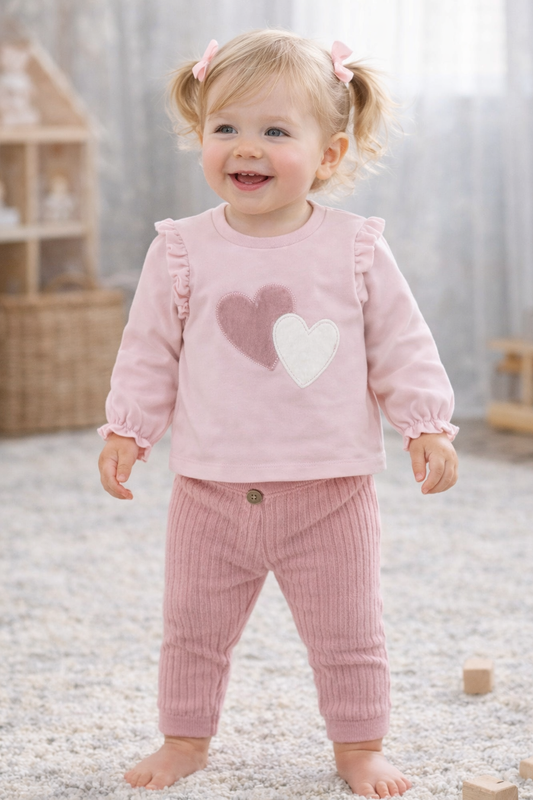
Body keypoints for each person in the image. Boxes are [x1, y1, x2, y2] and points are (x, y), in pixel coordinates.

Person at [97, 28, 459, 798]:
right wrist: (127, 429)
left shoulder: (354, 247)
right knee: (191, 633)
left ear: (327, 154)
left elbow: (399, 339)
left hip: (329, 492)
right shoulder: (181, 249)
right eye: (224, 127)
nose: (244, 147)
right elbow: (149, 348)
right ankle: (185, 738)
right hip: (209, 491)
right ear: (201, 134)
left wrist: (424, 421)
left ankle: (358, 746)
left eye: (273, 131)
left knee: (347, 635)